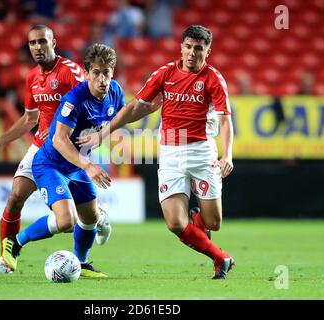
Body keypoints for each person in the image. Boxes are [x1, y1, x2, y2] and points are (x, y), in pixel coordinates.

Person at [78, 25, 235, 279]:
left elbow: (225, 121)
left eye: (198, 48)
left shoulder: (213, 79)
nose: (192, 53)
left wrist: (226, 155)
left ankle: (199, 222)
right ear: (181, 47)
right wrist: (101, 134)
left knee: (213, 223)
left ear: (208, 50)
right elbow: (133, 108)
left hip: (201, 152)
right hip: (170, 152)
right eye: (188, 47)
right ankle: (221, 258)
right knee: (174, 223)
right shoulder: (165, 74)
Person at [0, 25, 111, 274]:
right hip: (41, 149)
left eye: (42, 42)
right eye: (33, 43)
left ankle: (91, 234)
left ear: (53, 42)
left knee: (81, 218)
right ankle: (6, 261)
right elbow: (29, 119)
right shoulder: (32, 76)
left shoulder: (71, 72)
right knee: (16, 196)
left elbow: (86, 102)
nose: (37, 47)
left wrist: (61, 129)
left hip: (66, 147)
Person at [1, 43, 124, 277]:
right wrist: (88, 166)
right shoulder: (74, 99)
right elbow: (59, 140)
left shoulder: (116, 92)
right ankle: (15, 242)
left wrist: (101, 136)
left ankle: (82, 262)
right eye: (96, 73)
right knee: (67, 221)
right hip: (51, 164)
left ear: (112, 73)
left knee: (90, 217)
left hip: (75, 166)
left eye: (106, 72)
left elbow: (120, 117)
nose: (102, 79)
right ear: (86, 73)